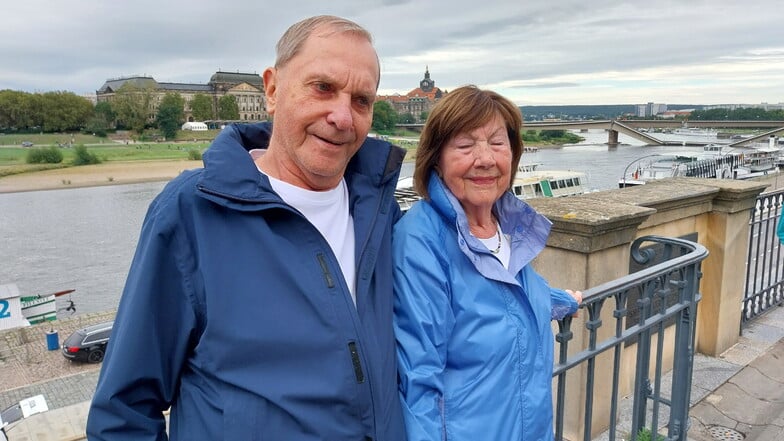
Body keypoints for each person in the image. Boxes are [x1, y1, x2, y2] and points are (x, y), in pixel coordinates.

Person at [87, 15, 406, 441]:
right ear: (272, 90)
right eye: (322, 88)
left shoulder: (382, 213)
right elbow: (122, 415)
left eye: (362, 100)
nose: (343, 117)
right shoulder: (189, 213)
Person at [392, 85, 582, 440]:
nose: (485, 159)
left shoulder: (506, 225)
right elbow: (418, 381)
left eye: (497, 143)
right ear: (436, 157)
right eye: (465, 145)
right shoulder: (421, 240)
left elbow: (499, 297)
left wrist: (559, 301)